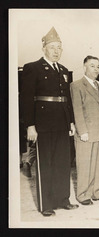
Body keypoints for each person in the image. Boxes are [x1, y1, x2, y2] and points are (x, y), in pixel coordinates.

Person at [20, 27, 78, 216]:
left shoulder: (63, 70)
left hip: (62, 123)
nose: (56, 51)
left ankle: (63, 199)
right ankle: (46, 204)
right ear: (44, 48)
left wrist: (70, 122)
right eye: (52, 47)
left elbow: (66, 99)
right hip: (43, 124)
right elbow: (27, 99)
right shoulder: (32, 68)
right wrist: (30, 125)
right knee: (45, 164)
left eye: (59, 47)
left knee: (62, 163)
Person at [70, 56, 99, 205]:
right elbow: (77, 109)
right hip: (87, 132)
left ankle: (98, 191)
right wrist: (82, 131)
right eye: (92, 66)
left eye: (98, 66)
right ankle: (83, 194)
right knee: (85, 163)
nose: (96, 69)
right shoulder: (76, 85)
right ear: (84, 67)